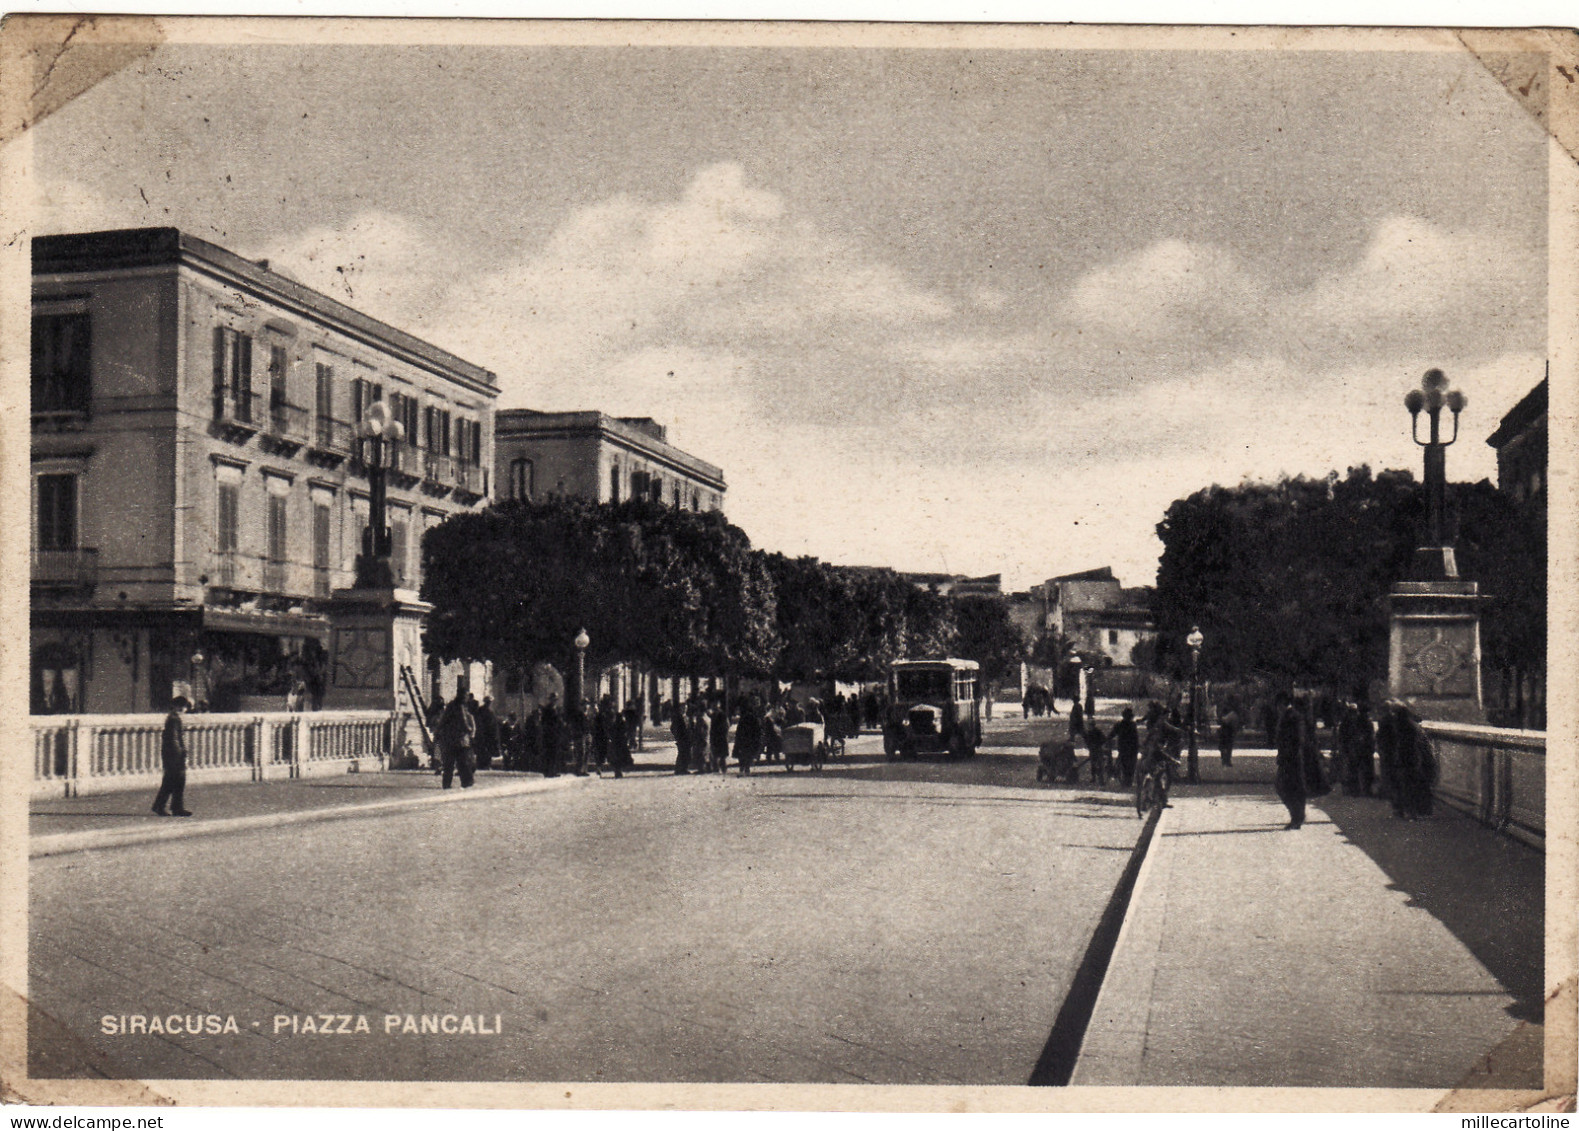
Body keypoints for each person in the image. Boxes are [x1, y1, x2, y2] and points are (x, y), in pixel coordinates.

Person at [152, 695, 193, 817]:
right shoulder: (174, 719)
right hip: (174, 755)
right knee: (176, 780)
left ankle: (169, 806)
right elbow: (174, 739)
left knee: (171, 781)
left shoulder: (172, 718)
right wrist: (181, 753)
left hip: (170, 754)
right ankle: (171, 806)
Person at [1274, 698, 1307, 828]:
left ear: (1281, 704)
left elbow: (1298, 739)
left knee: (1287, 787)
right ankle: (1297, 816)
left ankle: (1297, 817)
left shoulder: (1293, 717)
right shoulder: (1288, 716)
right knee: (1288, 787)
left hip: (1292, 759)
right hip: (1288, 758)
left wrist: (1287, 754)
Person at [435, 695, 476, 789]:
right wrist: (469, 731)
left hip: (449, 740)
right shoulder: (462, 709)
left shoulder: (448, 711)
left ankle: (446, 783)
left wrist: (438, 733)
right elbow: (465, 724)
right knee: (463, 762)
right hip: (461, 741)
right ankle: (467, 782)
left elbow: (441, 724)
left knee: (448, 764)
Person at [734, 695, 764, 774]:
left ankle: (744, 768)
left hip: (747, 735)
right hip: (749, 735)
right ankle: (746, 768)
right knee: (748, 752)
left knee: (745, 752)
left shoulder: (749, 714)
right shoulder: (753, 715)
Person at [1113, 706, 1140, 787]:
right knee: (1131, 766)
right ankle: (1128, 781)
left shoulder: (1119, 724)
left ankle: (1126, 781)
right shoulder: (1132, 725)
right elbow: (1136, 738)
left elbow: (1113, 733)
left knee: (1125, 765)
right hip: (1131, 748)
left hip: (1124, 748)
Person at [709, 701, 730, 774]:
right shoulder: (712, 715)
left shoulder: (722, 715)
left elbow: (726, 725)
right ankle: (716, 768)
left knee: (722, 754)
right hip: (715, 736)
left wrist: (724, 733)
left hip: (721, 736)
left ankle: (723, 768)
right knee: (715, 753)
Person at [670, 703, 691, 774]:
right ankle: (679, 769)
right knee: (681, 753)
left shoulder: (687, 717)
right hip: (681, 738)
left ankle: (684, 768)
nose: (684, 710)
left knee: (686, 753)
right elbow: (673, 728)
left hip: (687, 738)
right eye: (683, 708)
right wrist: (677, 736)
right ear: (680, 709)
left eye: (685, 708)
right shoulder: (677, 718)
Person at [1216, 703, 1239, 767]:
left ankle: (1225, 760)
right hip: (1229, 733)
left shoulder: (1231, 715)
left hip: (1226, 733)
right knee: (1228, 747)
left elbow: (1224, 721)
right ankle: (1227, 760)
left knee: (1224, 747)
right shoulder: (1234, 715)